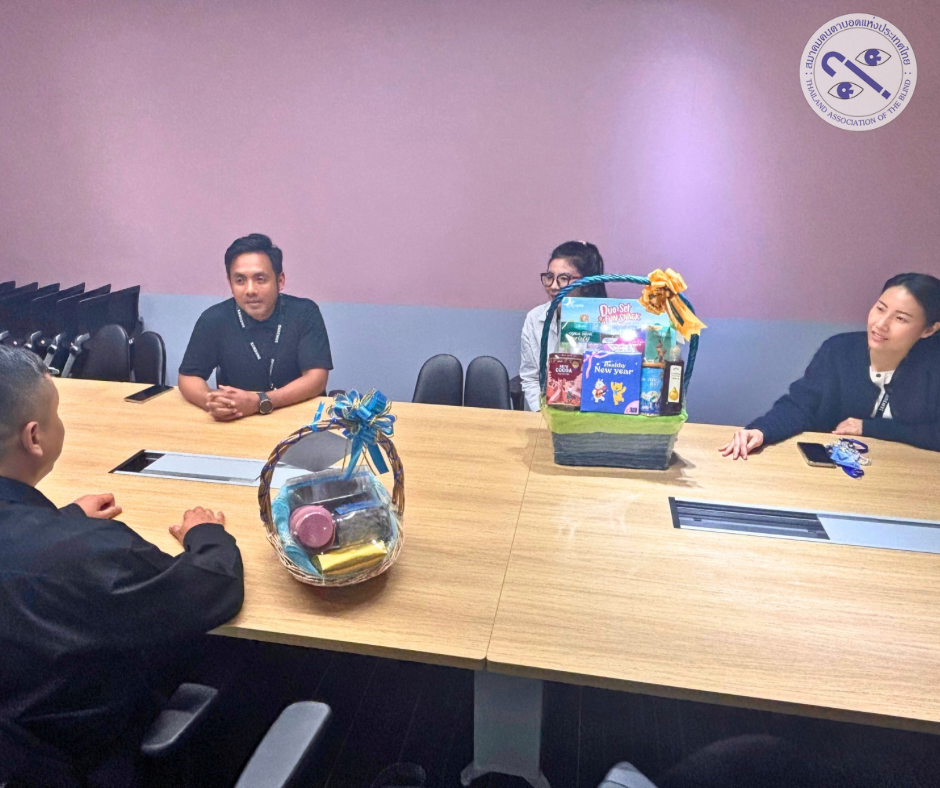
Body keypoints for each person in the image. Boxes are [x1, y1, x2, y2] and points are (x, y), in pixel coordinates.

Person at [0, 346, 244, 786]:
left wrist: (62, 519)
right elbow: (213, 584)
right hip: (72, 760)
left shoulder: (66, 542)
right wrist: (206, 533)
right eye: (56, 414)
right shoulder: (91, 553)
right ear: (34, 438)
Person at [720, 273, 940, 459]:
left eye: (900, 319)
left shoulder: (933, 364)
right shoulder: (839, 351)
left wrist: (869, 428)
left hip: (908, 474)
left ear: (929, 329)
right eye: (880, 309)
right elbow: (800, 405)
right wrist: (762, 430)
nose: (881, 324)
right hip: (838, 472)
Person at [178, 233, 333, 420]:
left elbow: (316, 379)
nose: (250, 290)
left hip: (299, 417)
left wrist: (260, 401)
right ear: (230, 283)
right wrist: (212, 402)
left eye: (260, 279)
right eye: (240, 281)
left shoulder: (304, 312)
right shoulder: (214, 319)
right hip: (239, 419)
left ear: (280, 280)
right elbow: (188, 377)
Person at [519, 241, 607, 411]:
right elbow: (531, 378)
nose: (553, 286)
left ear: (585, 284)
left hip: (593, 414)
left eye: (564, 279)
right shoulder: (534, 319)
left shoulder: (604, 321)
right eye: (550, 277)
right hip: (547, 413)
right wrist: (542, 412)